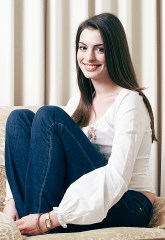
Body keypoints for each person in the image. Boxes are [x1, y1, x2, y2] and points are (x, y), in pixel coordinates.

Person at [3, 12, 156, 236]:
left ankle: (36, 219)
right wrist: (11, 200)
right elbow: (45, 157)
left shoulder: (129, 101)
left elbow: (117, 177)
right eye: (83, 47)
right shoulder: (80, 99)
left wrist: (52, 219)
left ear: (114, 52)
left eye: (100, 49)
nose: (89, 57)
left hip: (128, 203)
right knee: (19, 120)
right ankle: (29, 216)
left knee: (49, 116)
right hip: (91, 198)